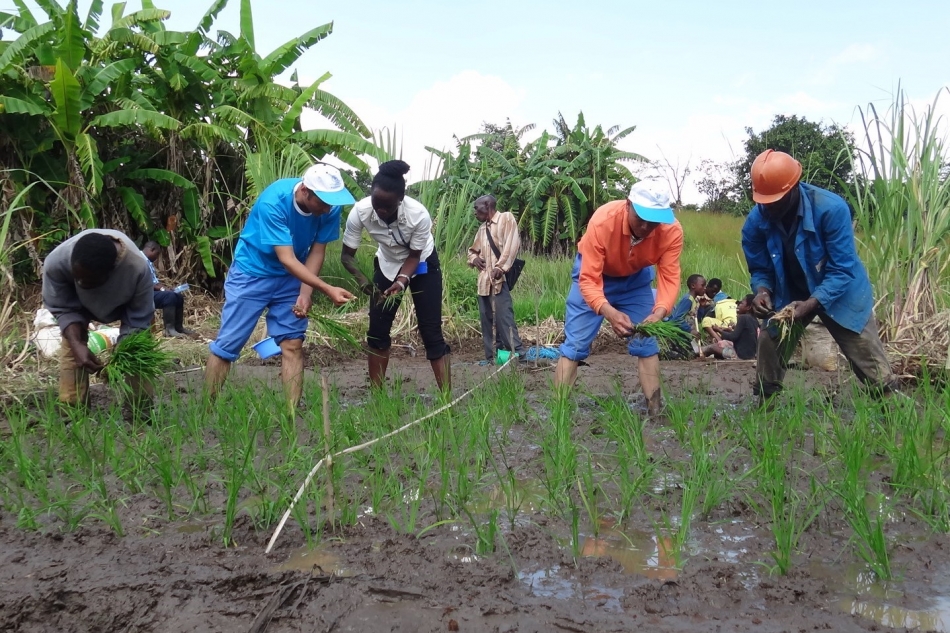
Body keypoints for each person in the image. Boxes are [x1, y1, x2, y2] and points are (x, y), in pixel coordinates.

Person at [741, 149, 897, 398]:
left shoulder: (830, 209)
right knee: (769, 342)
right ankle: (765, 408)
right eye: (764, 202)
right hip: (791, 294)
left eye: (776, 201)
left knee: (866, 355)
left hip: (840, 291)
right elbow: (761, 268)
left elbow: (842, 268)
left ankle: (892, 410)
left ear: (793, 188)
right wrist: (762, 290)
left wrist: (813, 303)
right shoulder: (755, 223)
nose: (769, 209)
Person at [204, 164, 356, 414]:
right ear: (306, 191)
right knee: (227, 346)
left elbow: (317, 251)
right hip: (252, 273)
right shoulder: (274, 201)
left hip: (291, 278)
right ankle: (206, 411)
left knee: (293, 344)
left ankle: (291, 413)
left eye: (332, 202)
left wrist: (305, 293)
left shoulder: (329, 208)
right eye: (324, 202)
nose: (329, 208)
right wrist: (327, 289)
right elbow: (286, 258)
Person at [554, 179, 683, 415]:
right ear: (628, 205)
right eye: (641, 218)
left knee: (646, 342)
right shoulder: (604, 221)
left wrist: (659, 312)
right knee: (575, 346)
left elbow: (669, 276)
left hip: (635, 279)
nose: (646, 227)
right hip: (596, 274)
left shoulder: (671, 231)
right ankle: (559, 414)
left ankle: (655, 410)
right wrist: (608, 312)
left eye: (654, 221)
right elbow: (589, 280)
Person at [341, 160, 452, 392]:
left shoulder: (418, 215)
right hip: (387, 262)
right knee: (377, 330)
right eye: (376, 203)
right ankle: (376, 395)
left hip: (421, 263)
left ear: (400, 200)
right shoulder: (360, 211)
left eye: (387, 206)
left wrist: (401, 283)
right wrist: (365, 283)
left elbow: (413, 257)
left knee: (431, 331)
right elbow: (347, 257)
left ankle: (446, 398)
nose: (380, 210)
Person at [41, 229, 155, 410]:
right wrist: (78, 344)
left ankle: (140, 411)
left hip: (123, 305)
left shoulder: (137, 269)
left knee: (136, 356)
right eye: (77, 278)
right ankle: (72, 412)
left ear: (109, 274)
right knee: (73, 351)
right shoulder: (57, 262)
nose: (81, 284)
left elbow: (138, 321)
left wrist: (120, 356)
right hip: (77, 306)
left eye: (88, 282)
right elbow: (63, 308)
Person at [141, 241, 195, 338]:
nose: (156, 258)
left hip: (150, 291)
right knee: (169, 297)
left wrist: (166, 289)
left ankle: (178, 327)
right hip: (142, 293)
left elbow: (154, 282)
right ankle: (169, 329)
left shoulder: (147, 261)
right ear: (151, 249)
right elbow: (144, 282)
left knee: (177, 296)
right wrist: (162, 289)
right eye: (156, 254)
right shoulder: (140, 259)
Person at [707, 294, 758, 360]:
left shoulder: (743, 318)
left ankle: (698, 352)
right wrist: (727, 330)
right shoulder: (754, 319)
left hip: (741, 356)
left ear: (748, 307)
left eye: (741, 303)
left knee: (713, 347)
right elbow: (742, 336)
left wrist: (719, 330)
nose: (738, 305)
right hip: (751, 354)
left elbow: (733, 337)